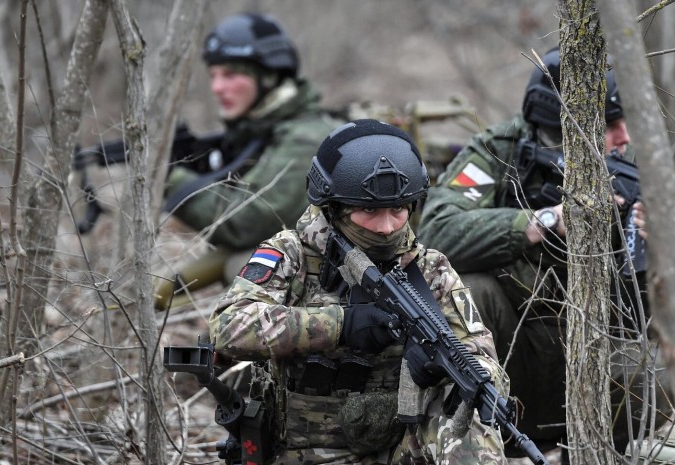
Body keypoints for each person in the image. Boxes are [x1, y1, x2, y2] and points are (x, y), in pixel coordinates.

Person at [416, 48, 673, 458]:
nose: (624, 138)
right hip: (505, 355)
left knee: (655, 368)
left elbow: (632, 325)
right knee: (471, 292)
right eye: (609, 125)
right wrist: (544, 221)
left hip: (581, 357)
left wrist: (645, 252)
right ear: (562, 126)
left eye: (626, 123)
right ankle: (470, 448)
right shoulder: (499, 152)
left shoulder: (625, 172)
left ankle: (588, 454)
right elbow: (437, 232)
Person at [209, 119, 509, 464]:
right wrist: (340, 325)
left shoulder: (429, 269)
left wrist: (440, 368)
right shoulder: (291, 255)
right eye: (368, 210)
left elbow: (482, 356)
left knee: (470, 411)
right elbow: (227, 327)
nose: (386, 227)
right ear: (334, 208)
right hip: (303, 452)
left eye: (397, 209)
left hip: (399, 448)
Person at [154, 12, 343, 310]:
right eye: (213, 75)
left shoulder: (305, 137)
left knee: (243, 265)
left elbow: (246, 223)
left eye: (230, 74)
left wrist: (169, 178)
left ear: (268, 77)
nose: (217, 87)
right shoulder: (262, 128)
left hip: (343, 277)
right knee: (168, 286)